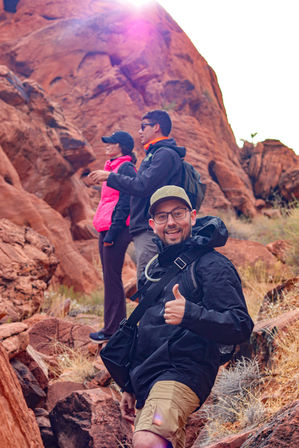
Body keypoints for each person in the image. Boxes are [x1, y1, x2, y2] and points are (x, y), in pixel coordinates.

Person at [119, 185, 254, 448]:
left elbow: (240, 325)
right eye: (162, 216)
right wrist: (129, 384)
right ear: (152, 224)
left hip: (183, 372)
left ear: (192, 217)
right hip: (149, 377)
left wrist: (191, 314)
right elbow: (146, 330)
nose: (170, 222)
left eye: (178, 213)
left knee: (149, 439)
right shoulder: (154, 268)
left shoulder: (212, 265)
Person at [88, 110, 186, 281]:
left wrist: (110, 177)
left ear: (156, 127)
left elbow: (142, 186)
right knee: (150, 282)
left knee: (148, 283)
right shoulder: (155, 154)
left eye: (143, 127)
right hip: (146, 228)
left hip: (150, 230)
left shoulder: (164, 154)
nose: (139, 132)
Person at [89, 131, 137, 343]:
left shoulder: (125, 167)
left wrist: (113, 231)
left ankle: (114, 331)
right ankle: (113, 328)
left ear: (121, 146)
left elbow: (125, 202)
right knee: (109, 277)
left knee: (112, 277)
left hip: (116, 228)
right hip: (108, 227)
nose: (107, 146)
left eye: (111, 143)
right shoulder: (113, 167)